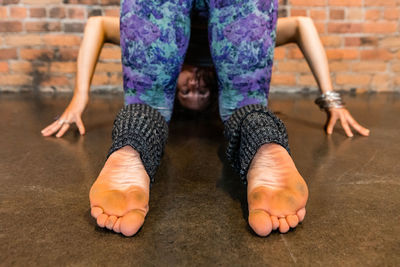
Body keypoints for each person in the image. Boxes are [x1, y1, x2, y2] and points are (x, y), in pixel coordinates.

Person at [42, 0, 369, 237]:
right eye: (198, 88)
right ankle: (262, 143)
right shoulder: (226, 58)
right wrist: (332, 101)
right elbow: (303, 25)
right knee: (245, 98)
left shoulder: (166, 48)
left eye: (191, 88)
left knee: (151, 99)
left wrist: (79, 98)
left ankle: (134, 147)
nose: (196, 82)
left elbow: (97, 24)